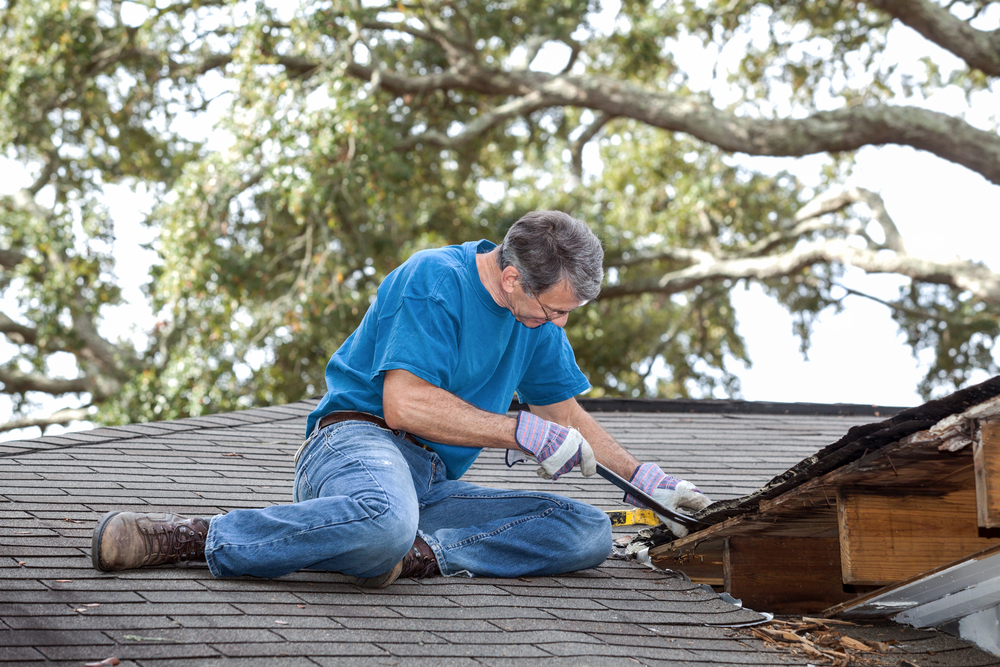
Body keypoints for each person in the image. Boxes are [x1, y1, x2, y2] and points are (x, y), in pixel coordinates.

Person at [92, 210, 711, 586]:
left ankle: (413, 555)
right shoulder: (434, 280)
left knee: (584, 532)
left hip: (429, 482)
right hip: (355, 445)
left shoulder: (536, 324)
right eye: (556, 310)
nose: (561, 325)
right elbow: (405, 405)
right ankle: (197, 538)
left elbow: (564, 413)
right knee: (383, 517)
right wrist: (516, 432)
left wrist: (644, 482)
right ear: (515, 278)